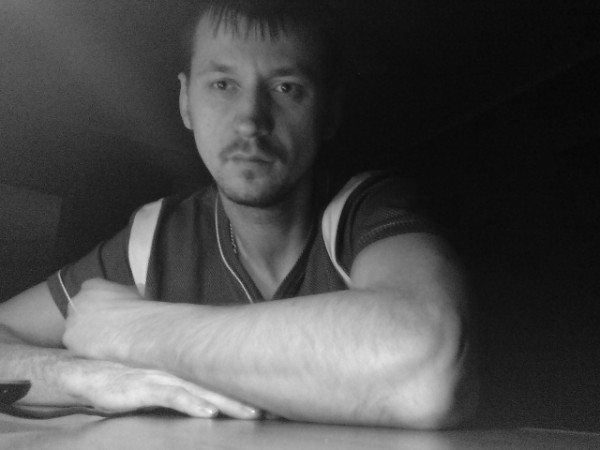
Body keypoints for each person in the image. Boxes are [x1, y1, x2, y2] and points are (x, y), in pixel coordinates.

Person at [0, 0, 476, 428]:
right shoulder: (156, 239)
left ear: (329, 111)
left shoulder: (365, 212)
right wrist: (81, 378)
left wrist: (139, 330)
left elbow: (432, 368)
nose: (251, 120)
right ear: (186, 101)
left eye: (286, 87)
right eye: (223, 84)